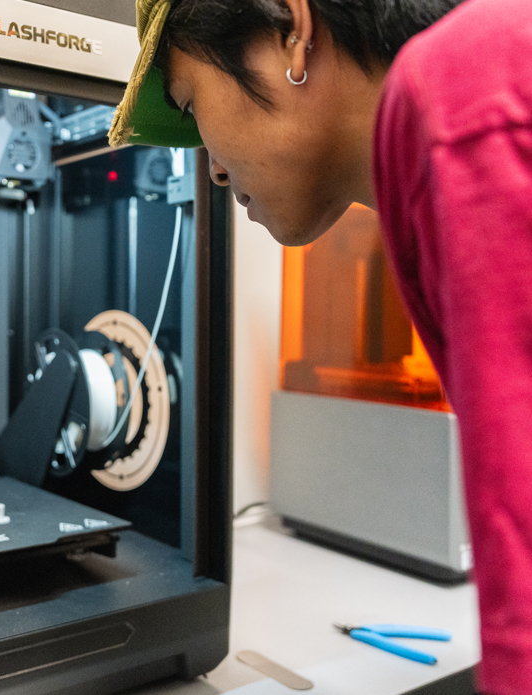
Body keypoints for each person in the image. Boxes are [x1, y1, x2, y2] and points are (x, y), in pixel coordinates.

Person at [108, 0, 532, 692]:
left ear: (290, 30)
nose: (212, 169)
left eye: (191, 107)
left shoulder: (466, 89)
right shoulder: (428, 155)